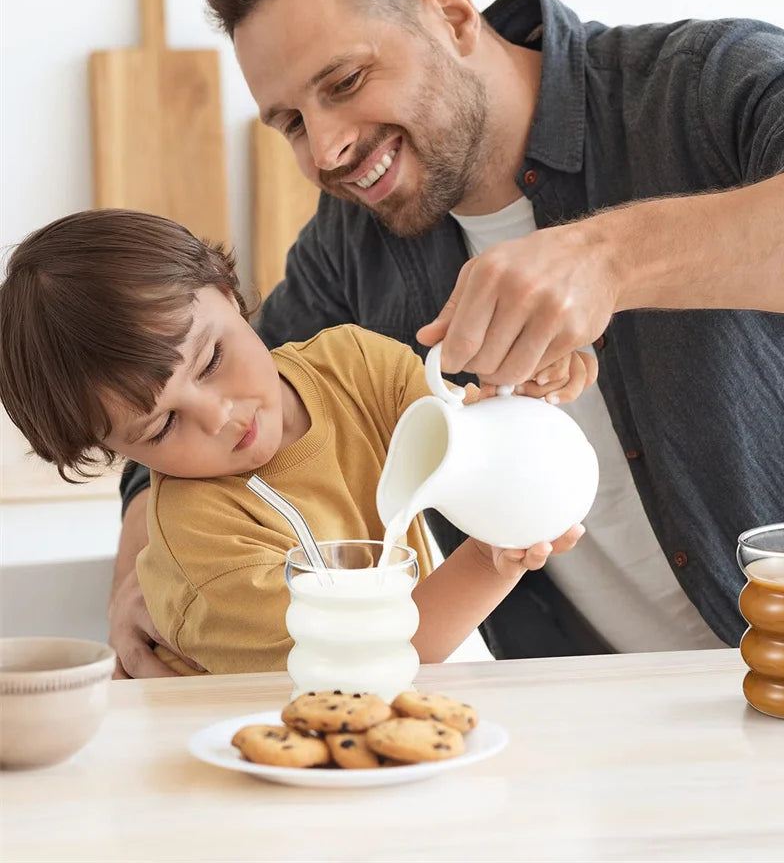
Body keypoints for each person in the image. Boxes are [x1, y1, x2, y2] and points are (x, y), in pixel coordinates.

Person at [111, 0, 784, 676]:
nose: (328, 149)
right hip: (607, 741)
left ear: (452, 14)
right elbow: (203, 402)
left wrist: (610, 257)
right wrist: (135, 572)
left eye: (344, 81)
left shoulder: (698, 86)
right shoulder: (351, 248)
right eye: (291, 123)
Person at [0, 209, 586, 675]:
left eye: (212, 360)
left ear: (227, 292)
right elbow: (368, 656)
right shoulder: (202, 535)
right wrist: (488, 559)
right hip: (230, 748)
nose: (219, 417)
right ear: (118, 453)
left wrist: (521, 388)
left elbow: (469, 437)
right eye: (162, 427)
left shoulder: (355, 366)